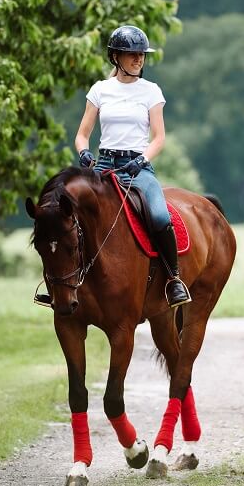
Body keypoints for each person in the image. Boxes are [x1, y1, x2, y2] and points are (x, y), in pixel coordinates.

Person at [74, 24, 191, 308]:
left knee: (160, 217)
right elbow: (82, 135)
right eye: (132, 54)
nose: (139, 59)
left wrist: (143, 159)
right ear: (116, 57)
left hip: (137, 167)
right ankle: (67, 281)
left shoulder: (151, 91)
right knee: (72, 214)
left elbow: (159, 137)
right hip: (103, 165)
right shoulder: (100, 90)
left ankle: (173, 279)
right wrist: (84, 154)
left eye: (141, 54)